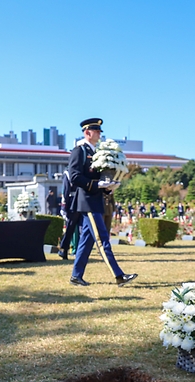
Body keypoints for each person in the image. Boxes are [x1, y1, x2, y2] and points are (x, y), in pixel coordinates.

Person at [67, 117, 136, 287]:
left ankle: (76, 276)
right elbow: (74, 177)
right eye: (96, 131)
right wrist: (96, 184)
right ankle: (119, 275)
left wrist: (108, 186)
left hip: (96, 200)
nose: (99, 134)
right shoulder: (80, 151)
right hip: (87, 201)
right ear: (87, 132)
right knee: (102, 239)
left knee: (87, 241)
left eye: (99, 131)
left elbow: (98, 178)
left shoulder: (97, 152)